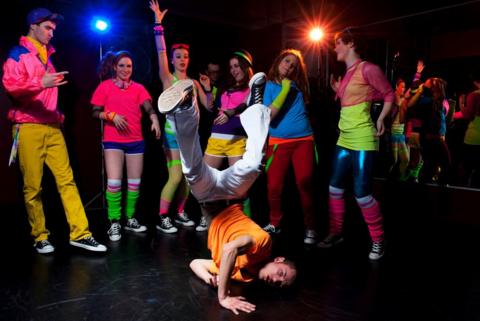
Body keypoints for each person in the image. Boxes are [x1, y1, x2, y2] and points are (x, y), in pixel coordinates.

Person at [157, 74, 296, 315]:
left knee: (191, 168)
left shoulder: (243, 276)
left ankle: (185, 108)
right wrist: (222, 296)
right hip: (233, 193)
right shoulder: (262, 244)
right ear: (279, 260)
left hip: (207, 196)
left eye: (281, 285)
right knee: (254, 165)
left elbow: (196, 263)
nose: (277, 280)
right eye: (282, 274)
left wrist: (211, 280)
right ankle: (254, 107)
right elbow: (231, 247)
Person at [2, 8, 107, 253]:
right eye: (48, 28)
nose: (51, 33)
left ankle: (80, 233)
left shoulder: (47, 56)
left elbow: (47, 94)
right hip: (27, 127)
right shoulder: (18, 53)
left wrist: (57, 113)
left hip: (52, 127)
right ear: (34, 26)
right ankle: (40, 236)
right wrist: (41, 82)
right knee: (33, 187)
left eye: (53, 29)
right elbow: (11, 87)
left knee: (67, 181)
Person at [318, 28, 394, 260]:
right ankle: (336, 233)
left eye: (338, 43)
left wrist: (381, 119)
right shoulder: (349, 72)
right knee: (334, 188)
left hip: (362, 137)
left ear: (350, 44)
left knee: (362, 193)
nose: (335, 47)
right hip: (344, 137)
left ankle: (378, 241)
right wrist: (337, 90)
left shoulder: (369, 68)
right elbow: (353, 98)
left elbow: (389, 94)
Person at [149, 0, 213, 233]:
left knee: (187, 179)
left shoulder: (194, 82)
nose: (182, 59)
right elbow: (160, 51)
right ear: (173, 59)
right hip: (172, 136)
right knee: (175, 176)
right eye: (178, 56)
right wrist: (158, 23)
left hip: (190, 137)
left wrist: (207, 88)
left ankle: (178, 213)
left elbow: (208, 107)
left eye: (185, 56)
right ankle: (162, 217)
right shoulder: (168, 78)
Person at [90, 51, 161, 241]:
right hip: (113, 140)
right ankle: (114, 222)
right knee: (114, 182)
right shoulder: (104, 87)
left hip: (135, 140)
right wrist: (111, 115)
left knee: (134, 183)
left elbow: (148, 107)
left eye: (129, 66)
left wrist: (154, 118)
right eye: (121, 65)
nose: (125, 69)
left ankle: (129, 218)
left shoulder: (138, 88)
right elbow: (95, 112)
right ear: (114, 67)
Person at [261, 49, 317, 245]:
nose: (288, 67)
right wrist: (284, 90)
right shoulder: (268, 86)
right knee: (274, 187)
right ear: (278, 61)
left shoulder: (297, 86)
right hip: (278, 142)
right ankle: (275, 223)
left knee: (304, 184)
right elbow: (269, 116)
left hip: (304, 140)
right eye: (286, 61)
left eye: (293, 65)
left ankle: (311, 227)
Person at [198, 49, 254, 231]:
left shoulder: (252, 87)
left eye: (237, 66)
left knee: (238, 186)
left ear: (245, 67)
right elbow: (210, 106)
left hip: (236, 140)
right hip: (216, 138)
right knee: (204, 182)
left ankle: (243, 223)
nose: (233, 70)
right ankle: (209, 219)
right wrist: (207, 89)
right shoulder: (224, 86)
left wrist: (230, 113)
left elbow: (247, 105)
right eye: (231, 67)